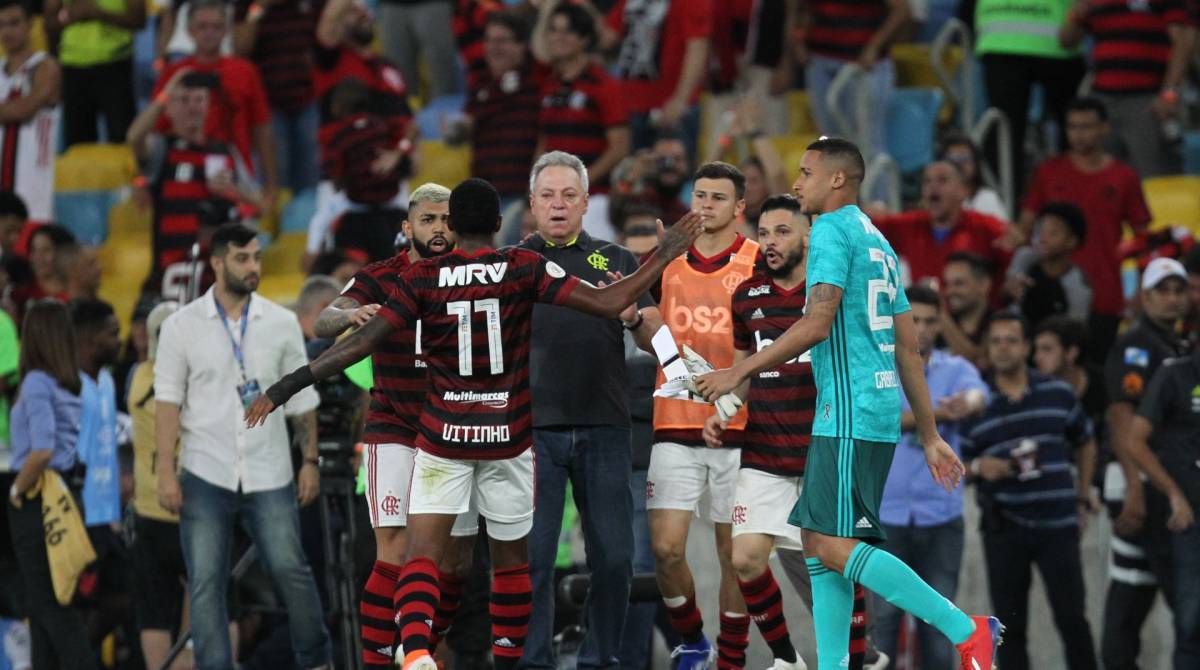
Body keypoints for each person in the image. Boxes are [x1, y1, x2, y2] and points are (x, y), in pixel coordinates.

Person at [246, 178, 705, 670]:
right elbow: (611, 303)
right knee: (511, 564)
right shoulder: (522, 265)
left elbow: (355, 346)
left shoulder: (422, 279)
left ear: (455, 224)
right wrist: (663, 257)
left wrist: (283, 388)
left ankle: (418, 649)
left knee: (422, 554)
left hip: (442, 437)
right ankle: (502, 663)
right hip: (507, 438)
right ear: (496, 225)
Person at [695, 137, 1000, 670]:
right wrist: (927, 434)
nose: (796, 183)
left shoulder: (832, 232)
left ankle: (963, 626)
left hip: (849, 412)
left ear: (837, 179)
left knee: (833, 549)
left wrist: (738, 370)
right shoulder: (878, 240)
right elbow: (909, 346)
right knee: (817, 545)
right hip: (872, 410)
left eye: (806, 172)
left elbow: (815, 323)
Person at [312, 183, 480, 666]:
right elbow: (325, 319)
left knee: (456, 563)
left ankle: (422, 647)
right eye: (428, 220)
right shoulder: (380, 277)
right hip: (395, 429)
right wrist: (351, 312)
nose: (439, 229)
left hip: (454, 431)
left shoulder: (475, 273)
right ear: (408, 228)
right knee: (396, 551)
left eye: (447, 219)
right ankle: (389, 659)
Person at [154, 222, 332, 670]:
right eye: (242, 258)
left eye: (256, 257)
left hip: (269, 469)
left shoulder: (281, 322)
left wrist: (310, 461)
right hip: (205, 470)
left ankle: (316, 661)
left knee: (291, 571)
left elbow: (303, 400)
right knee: (206, 584)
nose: (253, 267)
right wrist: (163, 472)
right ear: (216, 263)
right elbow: (168, 405)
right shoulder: (181, 326)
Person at [703, 194, 870, 670]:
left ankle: (854, 663)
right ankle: (786, 659)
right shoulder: (747, 298)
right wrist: (724, 412)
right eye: (764, 233)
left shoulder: (829, 297)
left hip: (824, 452)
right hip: (765, 453)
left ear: (808, 236)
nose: (770, 243)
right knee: (747, 560)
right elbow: (743, 374)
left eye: (782, 232)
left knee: (840, 570)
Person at [519, 152, 657, 670]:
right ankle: (533, 663)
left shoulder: (618, 259)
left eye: (568, 195)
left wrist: (635, 317)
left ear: (585, 203)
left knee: (617, 558)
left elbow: (650, 330)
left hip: (604, 428)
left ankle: (598, 660)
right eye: (548, 196)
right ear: (532, 204)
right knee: (530, 560)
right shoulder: (509, 264)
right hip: (531, 432)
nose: (558, 205)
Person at [634, 162, 758, 668]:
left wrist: (734, 394)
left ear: (739, 208)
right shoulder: (666, 259)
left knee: (736, 556)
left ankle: (731, 656)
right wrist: (669, 360)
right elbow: (643, 325)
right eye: (699, 195)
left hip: (740, 426)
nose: (705, 206)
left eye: (718, 198)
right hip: (673, 416)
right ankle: (691, 640)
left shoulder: (756, 262)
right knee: (664, 550)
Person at [960, 312, 1099, 670]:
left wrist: (1083, 495)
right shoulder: (977, 405)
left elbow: (1086, 442)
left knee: (1073, 619)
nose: (1003, 348)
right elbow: (959, 466)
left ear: (1026, 347)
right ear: (987, 350)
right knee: (1010, 628)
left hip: (1058, 526)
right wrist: (979, 468)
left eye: (1011, 340)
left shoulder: (1057, 393)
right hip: (1005, 527)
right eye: (995, 341)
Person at [874, 283, 987, 669]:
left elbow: (978, 395)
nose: (920, 328)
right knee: (882, 624)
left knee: (941, 628)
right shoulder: (879, 368)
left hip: (940, 516)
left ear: (941, 324)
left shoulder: (956, 369)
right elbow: (877, 419)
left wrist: (966, 403)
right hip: (885, 516)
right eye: (913, 319)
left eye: (928, 320)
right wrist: (933, 418)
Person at [1100, 256, 1191, 670]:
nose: (1172, 300)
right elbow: (1122, 415)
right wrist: (1136, 489)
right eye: (1162, 291)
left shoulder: (1176, 346)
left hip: (1156, 483)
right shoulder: (1137, 344)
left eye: (1179, 291)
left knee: (1135, 586)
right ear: (1144, 296)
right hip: (1139, 484)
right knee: (1170, 590)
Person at [1019, 97, 1152, 362]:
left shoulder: (1123, 177)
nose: (1079, 135)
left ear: (1104, 128)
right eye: (1073, 127)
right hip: (1050, 293)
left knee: (1098, 373)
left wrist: (1140, 292)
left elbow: (1143, 240)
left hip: (1104, 295)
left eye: (1087, 126)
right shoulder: (1048, 172)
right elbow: (1025, 230)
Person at [5, 300, 93, 669]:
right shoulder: (69, 382)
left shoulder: (37, 382)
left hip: (39, 498)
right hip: (65, 496)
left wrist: (16, 489)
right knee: (46, 608)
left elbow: (41, 450)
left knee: (51, 608)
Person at [129, 68, 264, 300]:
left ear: (208, 105)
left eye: (199, 100)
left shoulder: (224, 151)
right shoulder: (163, 148)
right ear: (169, 108)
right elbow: (134, 137)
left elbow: (261, 206)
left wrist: (235, 191)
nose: (192, 107)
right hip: (172, 275)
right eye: (183, 100)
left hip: (218, 276)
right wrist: (165, 93)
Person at [1122, 347, 1200, 667]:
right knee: (1191, 622)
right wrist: (1174, 494)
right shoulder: (1176, 373)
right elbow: (1134, 440)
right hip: (1191, 521)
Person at [153, 0, 278, 196]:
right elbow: (157, 131)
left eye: (217, 26)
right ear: (189, 30)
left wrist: (271, 185)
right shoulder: (174, 75)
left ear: (227, 30)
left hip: (237, 176)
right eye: (202, 26)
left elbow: (261, 128)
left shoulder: (245, 71)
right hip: (186, 173)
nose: (209, 33)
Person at [127, 301, 193, 670]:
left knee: (152, 610)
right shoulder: (195, 382)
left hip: (149, 508)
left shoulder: (136, 377)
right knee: (205, 598)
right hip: (192, 507)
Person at [1059, 0, 1195, 177]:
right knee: (1102, 175)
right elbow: (1066, 41)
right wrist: (1075, 14)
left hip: (1146, 101)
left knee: (1153, 174)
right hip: (1102, 101)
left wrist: (1169, 94)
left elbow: (1182, 42)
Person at [533, 2, 628, 238]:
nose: (558, 37)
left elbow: (620, 148)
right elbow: (545, 141)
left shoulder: (604, 85)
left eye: (567, 31)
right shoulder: (549, 86)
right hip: (552, 202)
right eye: (553, 30)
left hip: (593, 201)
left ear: (585, 39)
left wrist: (578, 184)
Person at [974, 0, 1085, 193]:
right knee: (1073, 128)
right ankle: (1073, 198)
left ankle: (1006, 204)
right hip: (1054, 43)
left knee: (1005, 132)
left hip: (1001, 38)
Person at [872, 160, 1011, 288]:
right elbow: (863, 226)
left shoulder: (986, 227)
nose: (932, 186)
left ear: (963, 190)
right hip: (926, 313)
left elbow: (1017, 250)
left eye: (942, 180)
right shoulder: (910, 224)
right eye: (927, 181)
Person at [232, 0, 322, 193]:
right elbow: (240, 48)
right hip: (267, 104)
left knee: (310, 178)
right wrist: (259, 7)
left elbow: (326, 39)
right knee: (276, 177)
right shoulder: (249, 5)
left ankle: (303, 218)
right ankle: (275, 219)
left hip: (306, 98)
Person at [801, 0, 908, 160]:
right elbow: (801, 9)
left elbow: (902, 10)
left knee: (869, 141)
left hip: (863, 66)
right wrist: (799, 40)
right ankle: (839, 184)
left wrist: (874, 45)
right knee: (829, 142)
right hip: (820, 61)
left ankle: (874, 183)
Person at [604, 0, 711, 157]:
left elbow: (698, 48)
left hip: (670, 108)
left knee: (676, 172)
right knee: (635, 172)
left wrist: (681, 99)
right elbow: (606, 37)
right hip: (630, 105)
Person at [458, 10, 544, 205]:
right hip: (484, 195)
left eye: (502, 41)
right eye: (489, 40)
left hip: (523, 197)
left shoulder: (540, 80)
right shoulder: (480, 83)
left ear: (522, 44)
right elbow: (467, 127)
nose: (493, 48)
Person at [44, 0, 144, 147]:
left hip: (116, 65)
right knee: (77, 146)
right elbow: (49, 23)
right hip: (73, 67)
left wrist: (99, 13)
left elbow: (139, 19)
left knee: (123, 141)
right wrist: (69, 16)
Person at [0, 0, 60, 225]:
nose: (7, 31)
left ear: (29, 25)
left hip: (34, 188)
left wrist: (9, 109)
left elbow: (25, 109)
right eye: (1, 25)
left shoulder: (45, 66)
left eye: (14, 23)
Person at [71, 299, 122, 533]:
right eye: (113, 334)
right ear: (90, 342)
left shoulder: (107, 381)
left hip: (108, 513)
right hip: (76, 513)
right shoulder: (67, 385)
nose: (120, 341)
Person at [1006, 202, 1091, 329]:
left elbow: (1075, 329)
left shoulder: (1078, 284)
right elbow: (1006, 292)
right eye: (1041, 231)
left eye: (1053, 233)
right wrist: (1012, 288)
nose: (1043, 238)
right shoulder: (1025, 257)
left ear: (1072, 241)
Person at [375, 0, 461, 101]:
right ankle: (403, 114)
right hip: (390, 6)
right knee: (397, 78)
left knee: (443, 74)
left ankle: (447, 112)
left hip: (435, 4)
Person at [939, 251, 993, 370]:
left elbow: (976, 362)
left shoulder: (1000, 322)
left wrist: (939, 312)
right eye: (947, 284)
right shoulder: (937, 328)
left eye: (959, 283)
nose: (949, 291)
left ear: (984, 285)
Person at [940, 134, 1008, 221]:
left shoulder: (987, 199)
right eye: (953, 160)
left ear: (976, 164)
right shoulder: (936, 201)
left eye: (965, 158)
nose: (959, 164)